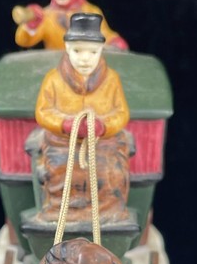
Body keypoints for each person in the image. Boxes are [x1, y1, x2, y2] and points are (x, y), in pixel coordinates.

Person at [28, 12, 134, 223]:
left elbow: (121, 113)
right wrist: (65, 124)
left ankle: (108, 212)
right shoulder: (53, 79)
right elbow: (43, 111)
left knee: (111, 171)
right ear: (67, 48)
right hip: (62, 142)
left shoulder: (112, 79)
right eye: (77, 51)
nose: (85, 59)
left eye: (92, 52)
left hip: (103, 142)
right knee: (59, 169)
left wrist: (103, 126)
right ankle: (60, 212)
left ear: (101, 50)